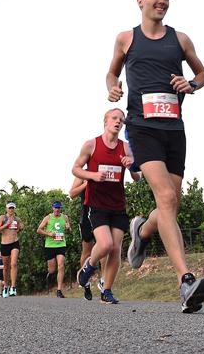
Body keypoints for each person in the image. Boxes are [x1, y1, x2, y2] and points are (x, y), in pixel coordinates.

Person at [108, 0, 204, 313]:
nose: (162, 1)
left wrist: (191, 85)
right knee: (165, 197)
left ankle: (142, 229)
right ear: (140, 1)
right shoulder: (126, 39)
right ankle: (186, 281)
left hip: (174, 130)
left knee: (171, 205)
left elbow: (202, 74)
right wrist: (113, 86)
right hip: (142, 127)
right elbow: (112, 73)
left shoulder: (180, 40)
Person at [73, 108, 140, 304]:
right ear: (105, 121)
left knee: (115, 249)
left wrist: (131, 167)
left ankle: (107, 291)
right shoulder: (91, 144)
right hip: (96, 204)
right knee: (105, 244)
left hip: (117, 205)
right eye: (114, 118)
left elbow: (137, 177)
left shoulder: (126, 147)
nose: (118, 121)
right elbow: (75, 168)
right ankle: (89, 266)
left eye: (121, 119)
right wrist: (93, 175)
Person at [37, 201, 71, 298]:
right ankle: (50, 279)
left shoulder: (65, 217)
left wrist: (68, 228)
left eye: (59, 208)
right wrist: (49, 234)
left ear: (61, 208)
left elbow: (69, 229)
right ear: (52, 208)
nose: (57, 210)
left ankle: (59, 290)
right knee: (52, 270)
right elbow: (39, 229)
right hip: (50, 246)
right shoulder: (48, 218)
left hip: (61, 244)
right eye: (55, 208)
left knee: (61, 266)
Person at [0, 202, 23, 297]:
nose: (11, 210)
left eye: (12, 208)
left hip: (15, 243)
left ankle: (13, 287)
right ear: (6, 209)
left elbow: (20, 227)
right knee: (6, 268)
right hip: (5, 244)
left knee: (14, 263)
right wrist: (6, 225)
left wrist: (20, 227)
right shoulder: (2, 218)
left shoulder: (17, 218)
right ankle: (6, 286)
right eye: (9, 208)